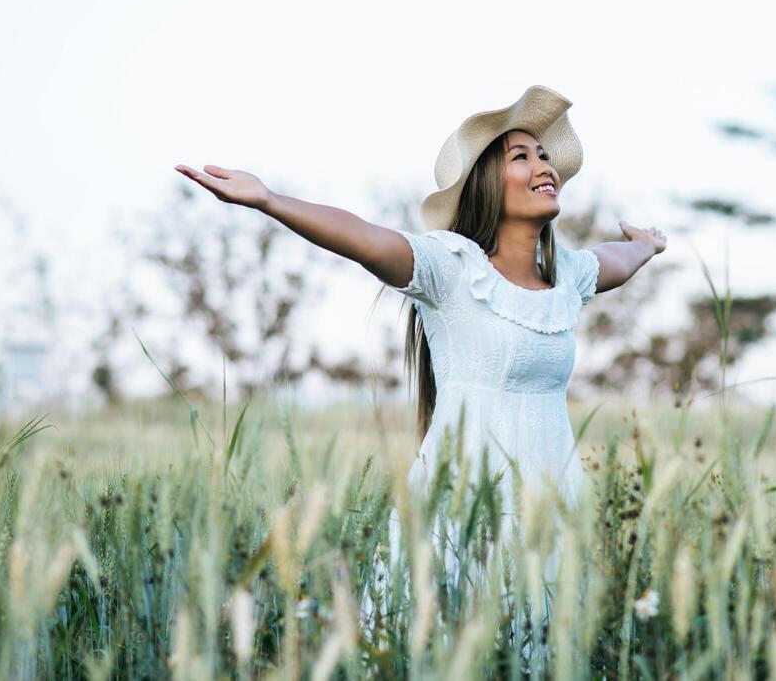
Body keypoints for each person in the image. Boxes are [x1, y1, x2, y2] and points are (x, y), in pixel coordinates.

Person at [174, 84, 666, 639]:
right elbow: (362, 237)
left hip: (554, 498)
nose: (544, 165)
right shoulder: (449, 267)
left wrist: (647, 245)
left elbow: (615, 261)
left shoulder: (566, 276)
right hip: (465, 503)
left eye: (545, 155)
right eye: (521, 156)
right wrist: (269, 200)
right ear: (486, 184)